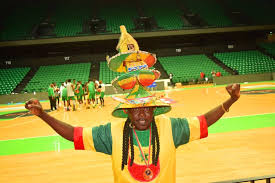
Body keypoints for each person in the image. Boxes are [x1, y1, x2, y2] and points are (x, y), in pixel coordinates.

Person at [25, 26, 241, 183]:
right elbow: (74, 134)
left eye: (146, 107)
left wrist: (230, 100)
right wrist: (43, 115)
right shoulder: (111, 133)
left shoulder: (171, 127)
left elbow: (203, 121)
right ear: (126, 111)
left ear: (155, 108)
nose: (141, 114)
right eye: (135, 108)